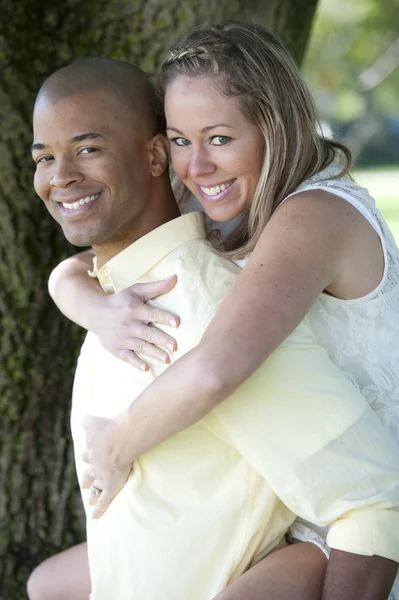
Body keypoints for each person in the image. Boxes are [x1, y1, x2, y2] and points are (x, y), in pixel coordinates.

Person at [27, 23, 399, 600]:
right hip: (295, 481)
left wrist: (117, 443)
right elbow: (83, 262)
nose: (196, 165)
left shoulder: (307, 219)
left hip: (344, 520)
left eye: (220, 138)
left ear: (271, 130)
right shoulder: (213, 198)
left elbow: (216, 364)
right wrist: (91, 304)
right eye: (179, 140)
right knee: (48, 583)